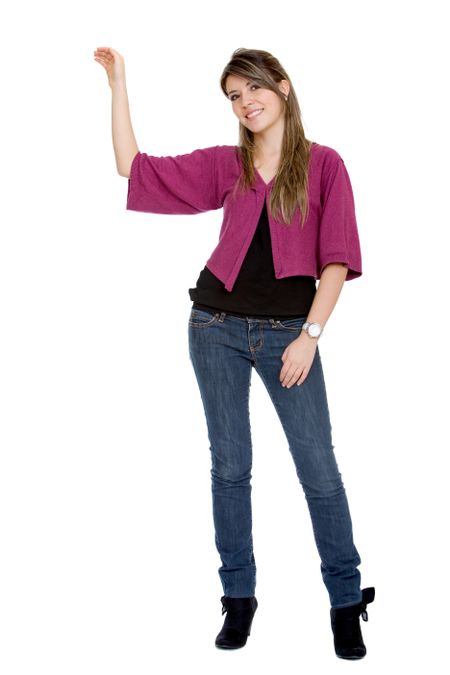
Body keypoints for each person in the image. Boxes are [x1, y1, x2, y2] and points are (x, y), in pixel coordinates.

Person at [94, 45, 375, 660]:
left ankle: (345, 600)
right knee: (230, 467)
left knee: (319, 471)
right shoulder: (230, 165)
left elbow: (336, 260)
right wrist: (118, 83)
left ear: (283, 86)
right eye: (233, 95)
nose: (245, 102)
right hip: (214, 326)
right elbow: (131, 167)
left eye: (253, 88)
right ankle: (239, 598)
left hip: (289, 335)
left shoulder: (325, 165)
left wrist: (309, 336)